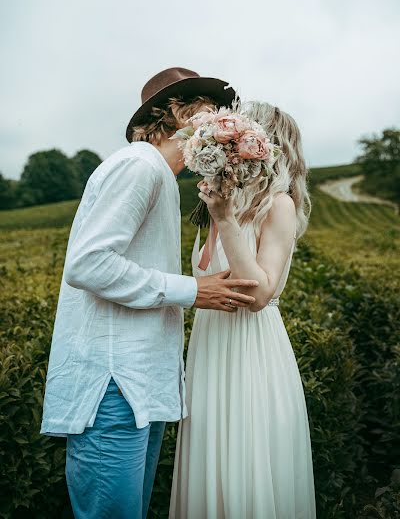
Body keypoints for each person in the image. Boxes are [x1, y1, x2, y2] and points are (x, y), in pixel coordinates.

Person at [40, 67, 259, 519]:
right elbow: (89, 264)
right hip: (113, 386)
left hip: (137, 385)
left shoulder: (157, 175)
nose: (222, 122)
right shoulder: (139, 166)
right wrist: (191, 290)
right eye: (210, 111)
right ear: (177, 113)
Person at [170, 101, 317, 519]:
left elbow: (257, 296)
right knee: (211, 455)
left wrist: (228, 220)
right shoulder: (219, 205)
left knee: (246, 454)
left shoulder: (279, 206)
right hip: (210, 343)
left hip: (251, 348)